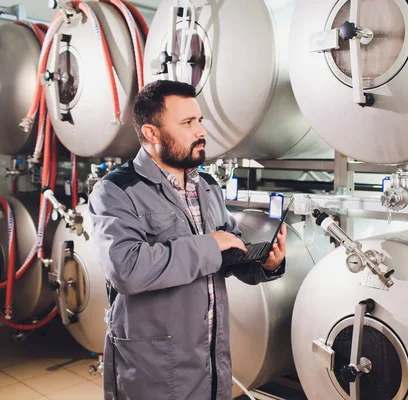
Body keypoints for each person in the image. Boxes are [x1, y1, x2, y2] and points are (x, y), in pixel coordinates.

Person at [88, 80, 287, 400]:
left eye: (200, 120)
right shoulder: (116, 191)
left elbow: (228, 247)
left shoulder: (206, 186)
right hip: (153, 366)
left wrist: (264, 263)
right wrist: (210, 245)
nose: (200, 131)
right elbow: (126, 269)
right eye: (187, 123)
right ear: (151, 133)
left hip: (210, 357)